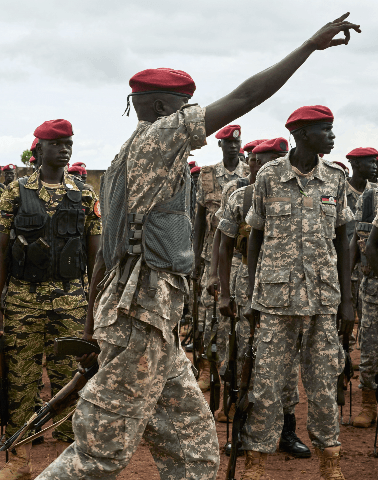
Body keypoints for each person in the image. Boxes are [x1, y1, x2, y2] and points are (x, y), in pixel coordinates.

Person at [35, 13, 361, 480]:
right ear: (166, 107)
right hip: (141, 318)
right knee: (98, 455)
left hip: (152, 319)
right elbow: (247, 97)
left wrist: (93, 326)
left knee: (194, 450)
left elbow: (109, 255)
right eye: (186, 105)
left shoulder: (125, 156)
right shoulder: (160, 135)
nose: (195, 115)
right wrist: (309, 45)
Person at [243, 104, 356, 479]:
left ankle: (331, 463)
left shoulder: (336, 179)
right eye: (326, 130)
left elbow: (344, 240)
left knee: (324, 382)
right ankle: (256, 463)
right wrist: (252, 295)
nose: (333, 136)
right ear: (303, 134)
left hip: (323, 299)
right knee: (267, 384)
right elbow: (255, 235)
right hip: (276, 301)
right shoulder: (269, 177)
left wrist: (347, 300)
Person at [0, 119, 101, 479]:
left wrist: (94, 310)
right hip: (24, 299)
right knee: (20, 378)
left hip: (71, 300)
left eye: (68, 143)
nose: (65, 149)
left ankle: (72, 456)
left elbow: (96, 258)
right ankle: (19, 460)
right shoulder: (15, 192)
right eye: (57, 143)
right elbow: (1, 251)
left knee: (74, 378)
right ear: (39, 149)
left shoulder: (85, 194)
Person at [217, 137, 310, 458]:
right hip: (246, 280)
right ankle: (242, 431)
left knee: (285, 360)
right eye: (256, 160)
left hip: (287, 287)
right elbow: (224, 245)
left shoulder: (300, 193)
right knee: (244, 356)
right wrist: (224, 291)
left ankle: (286, 431)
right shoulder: (240, 197)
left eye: (268, 159)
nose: (260, 165)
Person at [194, 124, 248, 393]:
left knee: (233, 317)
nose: (233, 147)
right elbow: (199, 222)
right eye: (228, 143)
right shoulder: (207, 175)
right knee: (207, 314)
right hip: (210, 257)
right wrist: (194, 259)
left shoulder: (250, 174)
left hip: (240, 254)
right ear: (221, 146)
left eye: (237, 143)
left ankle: (231, 375)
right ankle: (206, 366)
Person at [348, 148, 378, 429]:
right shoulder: (371, 198)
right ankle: (369, 402)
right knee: (369, 349)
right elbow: (358, 241)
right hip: (372, 285)